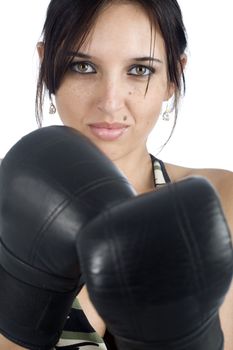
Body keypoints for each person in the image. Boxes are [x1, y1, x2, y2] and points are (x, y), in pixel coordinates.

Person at [0, 0, 233, 349]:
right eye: (83, 65)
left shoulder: (222, 202)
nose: (110, 102)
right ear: (47, 66)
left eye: (139, 70)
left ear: (173, 77)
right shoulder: (8, 204)